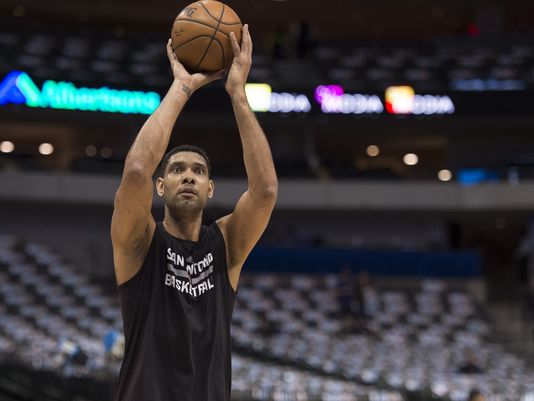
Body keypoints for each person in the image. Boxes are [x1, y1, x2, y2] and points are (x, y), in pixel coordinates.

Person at [111, 25, 278, 401]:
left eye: (198, 171)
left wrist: (237, 94)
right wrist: (181, 87)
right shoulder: (141, 243)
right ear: (161, 186)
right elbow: (137, 170)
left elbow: (265, 191)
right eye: (176, 170)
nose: (188, 176)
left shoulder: (225, 245)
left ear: (210, 188)